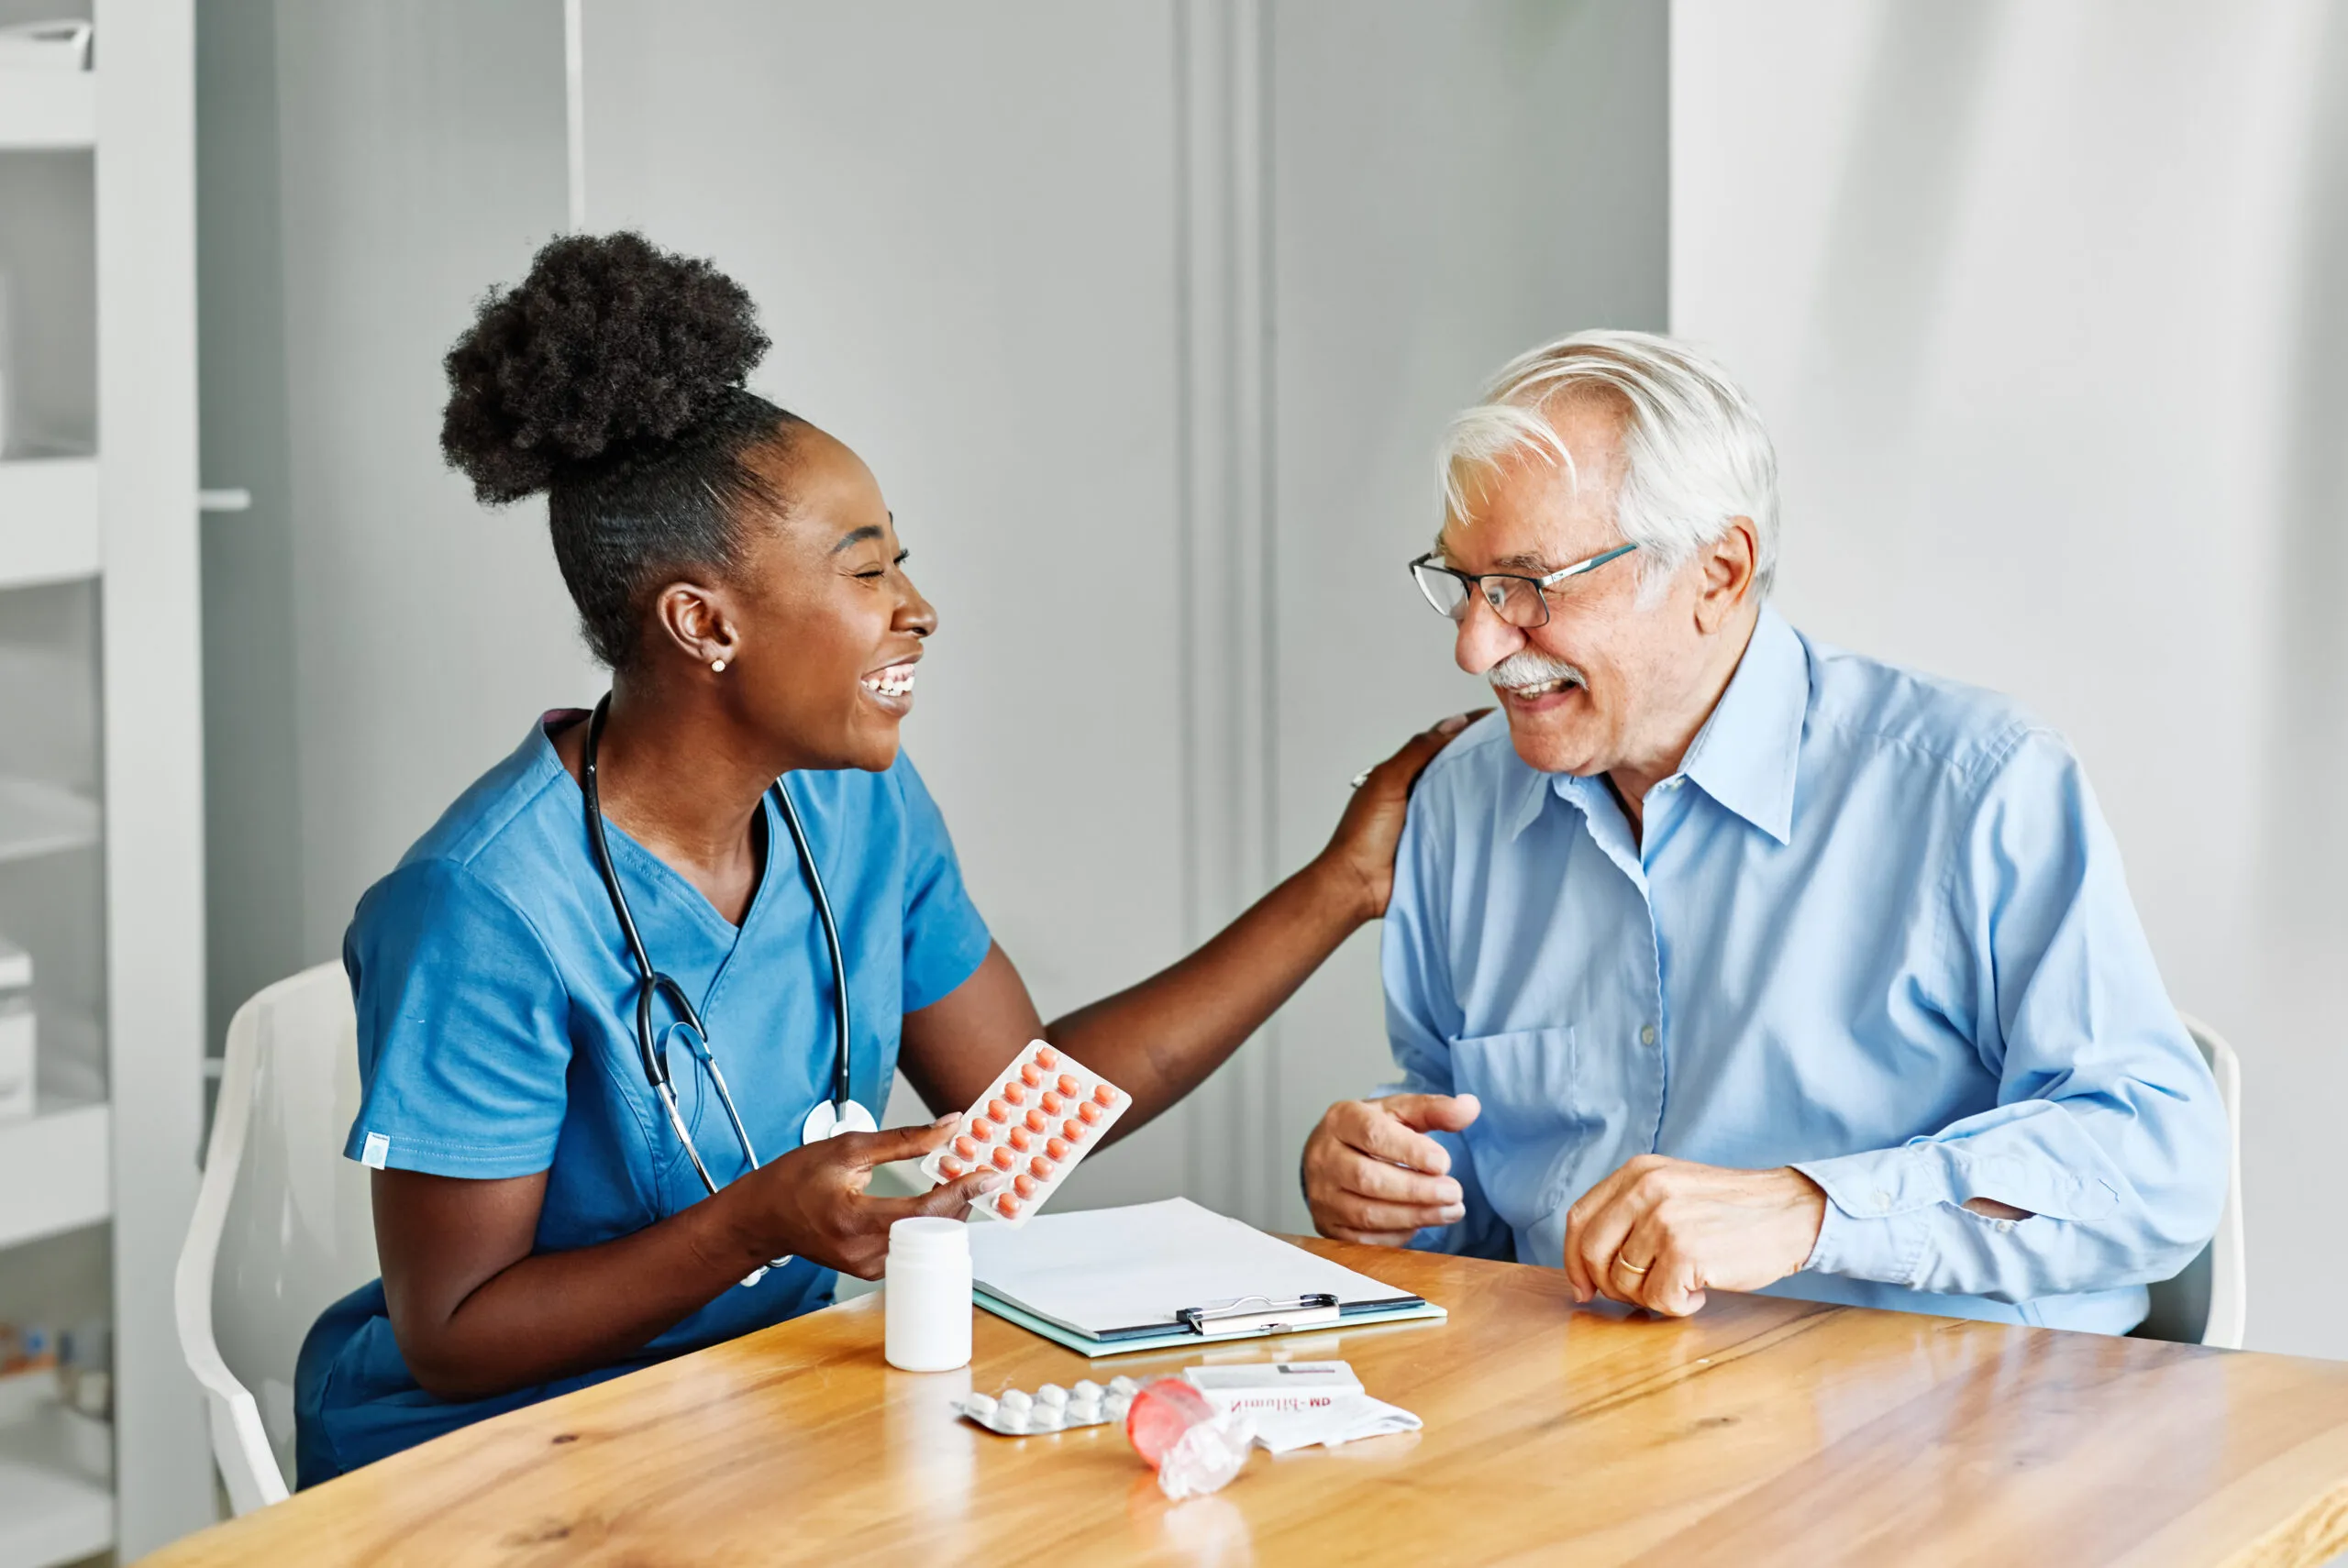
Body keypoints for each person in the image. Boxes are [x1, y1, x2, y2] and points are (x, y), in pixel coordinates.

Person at [294, 232, 1468, 1485]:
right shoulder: (483, 906)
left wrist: (1342, 885)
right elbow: (456, 1333)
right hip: (490, 1467)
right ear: (704, 624)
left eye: (900, 557)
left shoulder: (855, 807)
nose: (918, 605)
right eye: (867, 568)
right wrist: (757, 1219)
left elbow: (1022, 1101)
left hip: (756, 1413)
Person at [1301, 329, 2226, 1331]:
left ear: (1717, 573)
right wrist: (1391, 1192)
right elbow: (1483, 1216)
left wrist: (1812, 1212)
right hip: (1593, 1429)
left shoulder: (1976, 786)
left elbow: (2154, 1163)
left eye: (1529, 588)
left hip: (1949, 1441)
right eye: (1466, 586)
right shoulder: (1456, 805)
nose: (1478, 647)